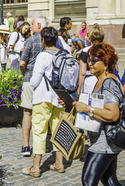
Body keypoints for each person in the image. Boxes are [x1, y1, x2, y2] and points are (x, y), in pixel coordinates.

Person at [73, 43, 123, 186]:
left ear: (105, 61)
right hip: (102, 138)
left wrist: (88, 108)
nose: (90, 64)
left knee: (88, 181)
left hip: (106, 140)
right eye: (89, 60)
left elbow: (113, 114)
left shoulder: (108, 82)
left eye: (94, 60)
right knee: (109, 180)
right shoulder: (99, 80)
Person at [23, 27, 67, 177]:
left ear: (43, 40)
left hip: (43, 97)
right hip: (59, 98)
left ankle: (36, 167)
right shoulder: (62, 54)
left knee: (39, 131)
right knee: (57, 130)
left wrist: (33, 85)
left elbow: (35, 80)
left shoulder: (43, 55)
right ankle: (59, 163)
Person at [19, 15, 48, 157]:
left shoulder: (30, 40)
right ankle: (42, 145)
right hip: (46, 82)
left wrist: (25, 75)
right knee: (43, 113)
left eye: (33, 24)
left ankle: (26, 146)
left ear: (39, 26)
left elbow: (22, 63)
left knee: (27, 112)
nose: (30, 26)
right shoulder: (51, 40)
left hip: (30, 79)